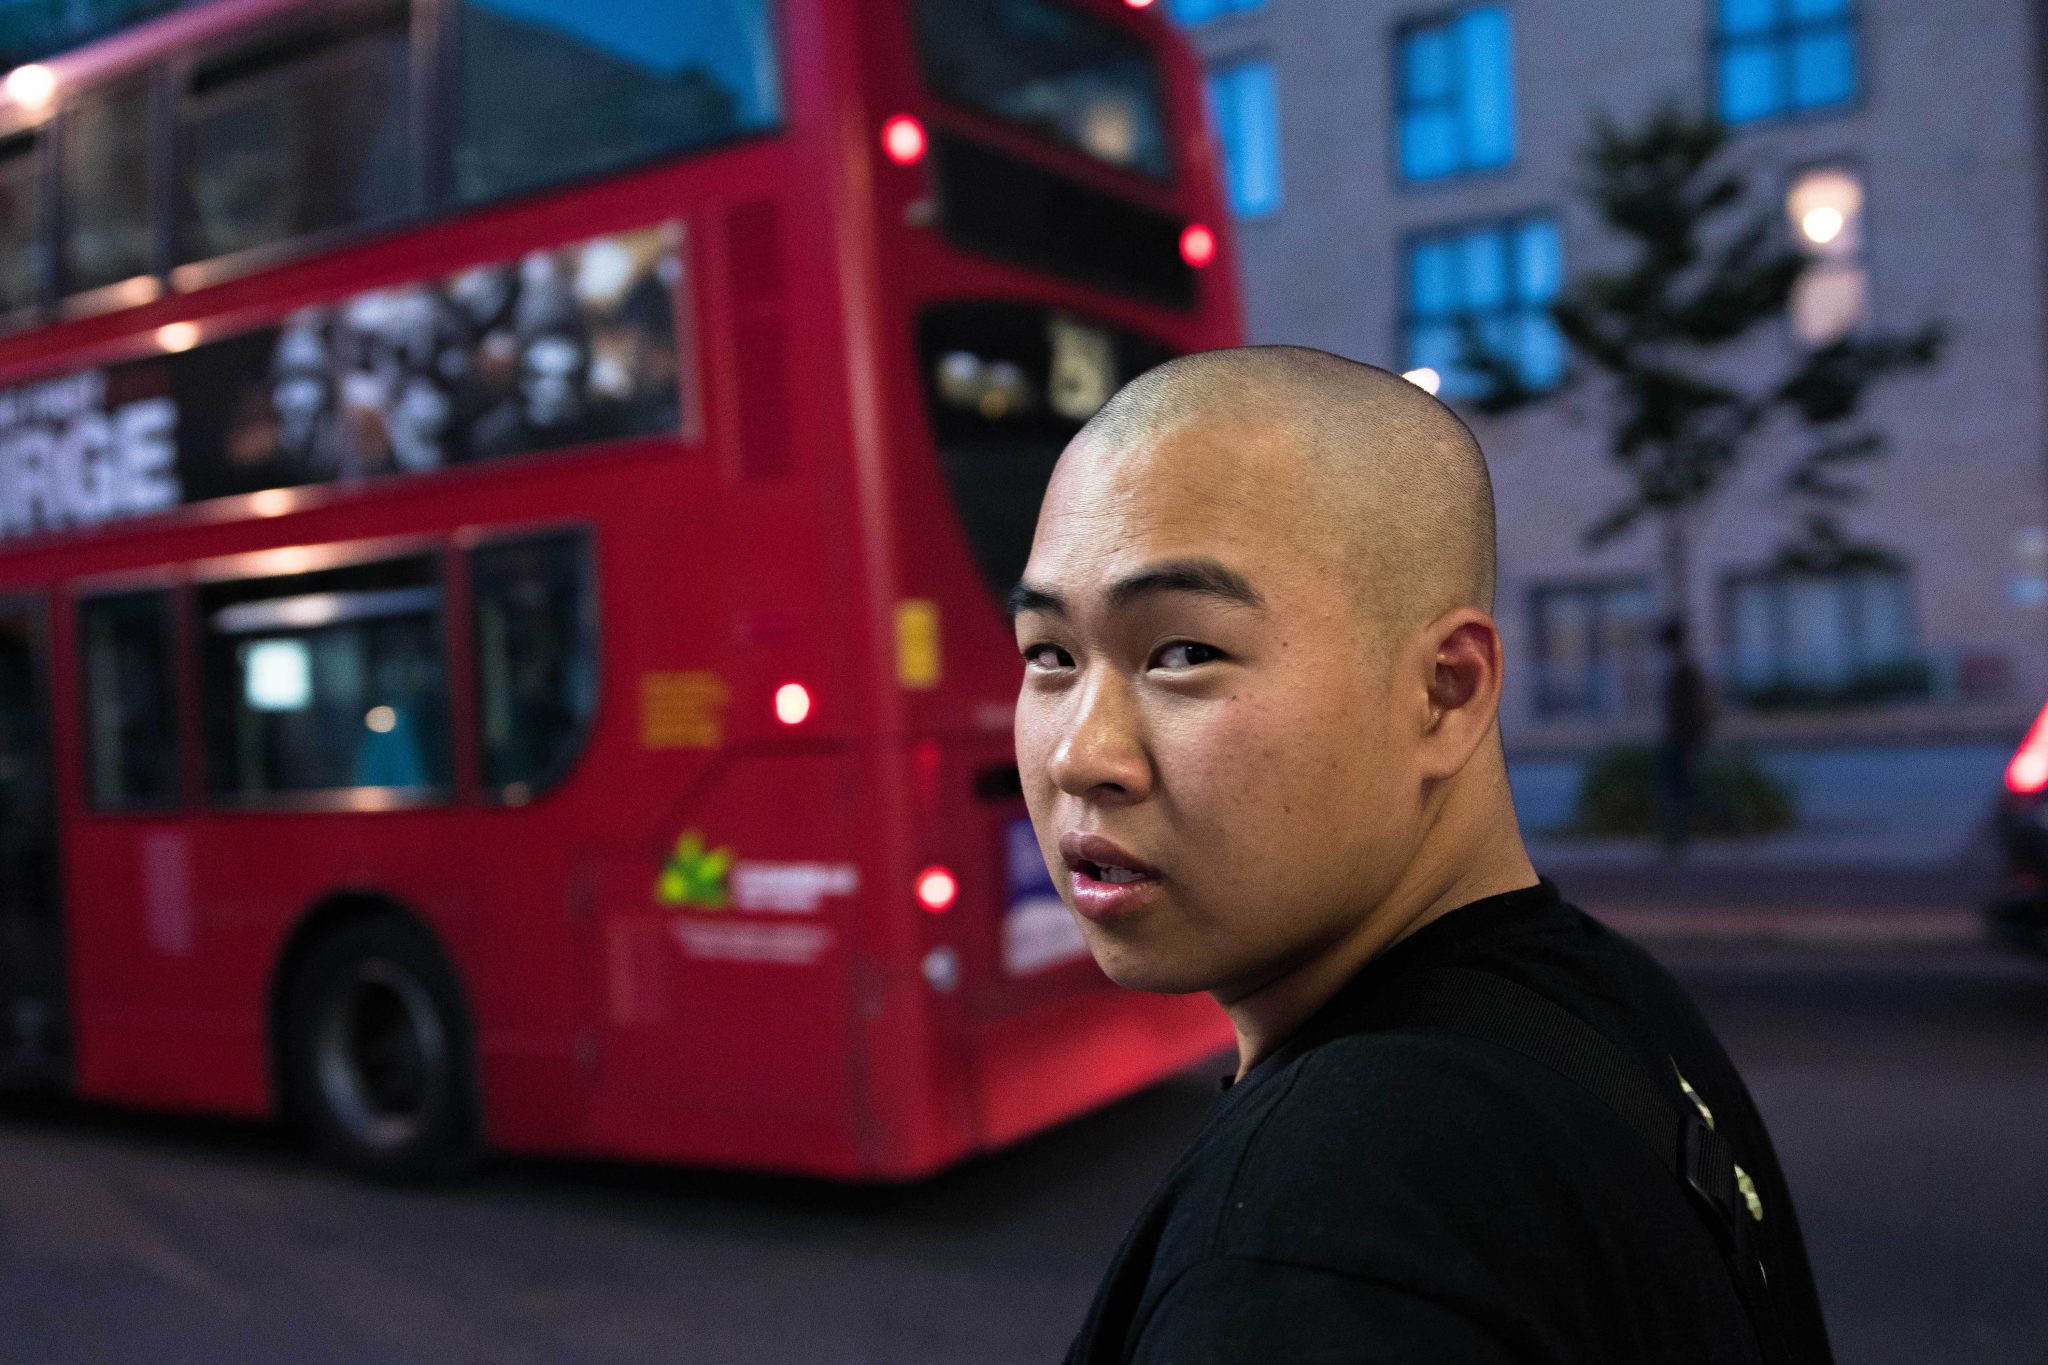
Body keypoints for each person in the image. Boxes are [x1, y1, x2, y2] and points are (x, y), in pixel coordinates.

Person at [1009, 347, 1833, 1364]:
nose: (1081, 755)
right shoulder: (1604, 996)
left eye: (1183, 653)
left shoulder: (1314, 1239)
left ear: (1445, 691)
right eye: (1049, 655)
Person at [1659, 617, 1717, 854]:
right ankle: (1676, 839)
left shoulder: (1685, 670)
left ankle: (1677, 840)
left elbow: (1694, 708)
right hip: (1681, 738)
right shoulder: (1682, 668)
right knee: (1681, 788)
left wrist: (1689, 737)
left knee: (1681, 789)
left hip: (1684, 739)